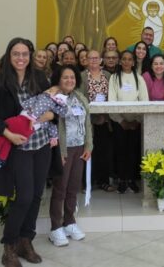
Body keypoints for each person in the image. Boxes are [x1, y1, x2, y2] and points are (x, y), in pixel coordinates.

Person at [0, 38, 52, 267]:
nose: (21, 58)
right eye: (16, 54)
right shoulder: (1, 82)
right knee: (24, 197)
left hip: (41, 144)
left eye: (24, 54)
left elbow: (53, 106)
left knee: (37, 195)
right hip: (18, 146)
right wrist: (7, 133)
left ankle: (25, 240)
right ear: (9, 56)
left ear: (30, 56)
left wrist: (50, 115)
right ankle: (9, 246)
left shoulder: (39, 78)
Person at [48, 66, 93, 247]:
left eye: (72, 77)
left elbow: (88, 124)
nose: (69, 80)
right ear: (58, 79)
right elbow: (53, 127)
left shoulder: (80, 97)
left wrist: (89, 145)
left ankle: (69, 223)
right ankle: (55, 228)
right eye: (65, 77)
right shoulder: (54, 98)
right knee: (60, 188)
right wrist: (60, 151)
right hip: (63, 150)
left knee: (73, 187)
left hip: (79, 148)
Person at [108, 50, 149, 194]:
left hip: (136, 123)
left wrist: (137, 120)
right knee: (120, 151)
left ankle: (131, 179)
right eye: (124, 59)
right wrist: (121, 121)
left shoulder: (139, 78)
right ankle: (122, 180)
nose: (126, 62)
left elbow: (144, 101)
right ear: (120, 61)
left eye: (129, 59)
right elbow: (111, 101)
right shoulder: (114, 78)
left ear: (133, 62)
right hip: (119, 122)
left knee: (133, 152)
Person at [80, 50, 114, 192]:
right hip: (88, 120)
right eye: (90, 58)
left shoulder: (108, 75)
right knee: (88, 151)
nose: (93, 60)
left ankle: (104, 181)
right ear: (86, 60)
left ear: (101, 60)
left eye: (96, 58)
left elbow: (112, 96)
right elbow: (80, 97)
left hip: (105, 120)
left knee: (104, 151)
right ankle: (87, 182)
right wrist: (93, 116)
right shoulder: (81, 76)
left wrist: (104, 116)